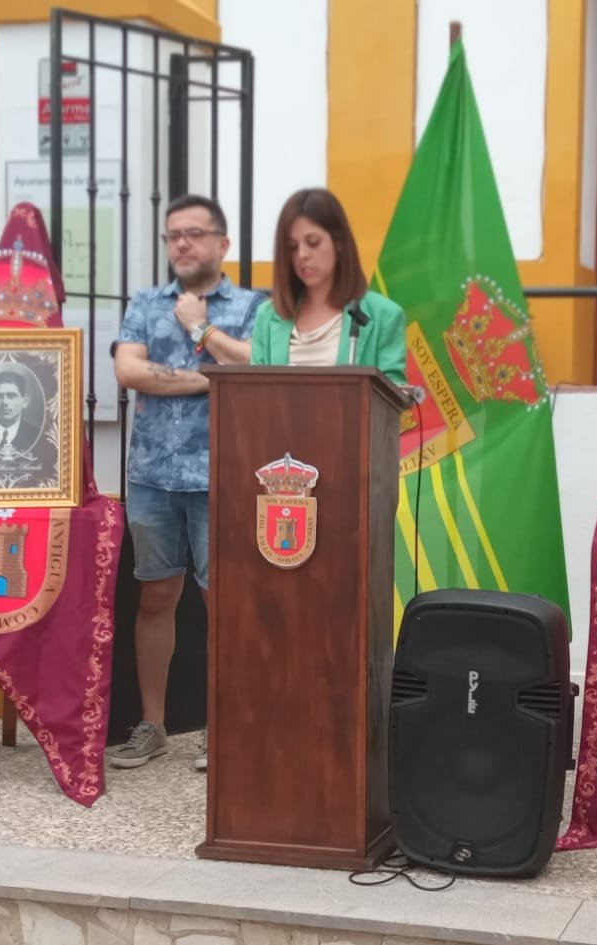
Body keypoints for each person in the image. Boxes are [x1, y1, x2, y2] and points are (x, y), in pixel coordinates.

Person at [107, 194, 262, 771]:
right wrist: (210, 377)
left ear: (223, 244)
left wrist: (201, 333)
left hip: (221, 475)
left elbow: (257, 365)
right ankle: (153, 725)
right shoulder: (146, 303)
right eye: (174, 235)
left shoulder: (250, 306)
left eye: (195, 234)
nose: (182, 245)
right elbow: (128, 370)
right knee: (155, 598)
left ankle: (226, 728)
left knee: (222, 603)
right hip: (151, 478)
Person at [248, 188, 407, 383]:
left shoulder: (384, 315)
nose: (302, 255)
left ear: (339, 242)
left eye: (313, 242)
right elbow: (254, 393)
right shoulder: (268, 315)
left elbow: (392, 401)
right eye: (292, 247)